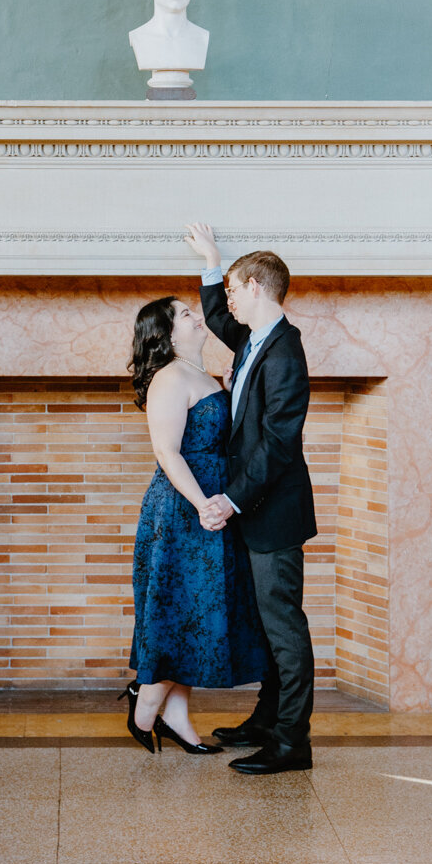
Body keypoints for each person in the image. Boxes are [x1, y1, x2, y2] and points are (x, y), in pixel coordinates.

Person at [186, 221, 317, 775]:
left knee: (284, 627)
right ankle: (266, 721)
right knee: (264, 625)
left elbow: (278, 445)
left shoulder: (285, 352)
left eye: (236, 289)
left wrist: (228, 501)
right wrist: (213, 263)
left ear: (258, 288)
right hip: (252, 512)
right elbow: (217, 318)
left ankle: (293, 743)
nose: (229, 301)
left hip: (273, 515)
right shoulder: (254, 339)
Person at [125, 294, 270, 755]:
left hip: (210, 508)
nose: (197, 316)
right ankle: (144, 704)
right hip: (182, 512)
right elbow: (167, 451)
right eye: (185, 313)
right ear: (167, 334)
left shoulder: (201, 375)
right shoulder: (169, 377)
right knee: (178, 611)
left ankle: (177, 714)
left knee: (197, 614)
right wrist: (205, 504)